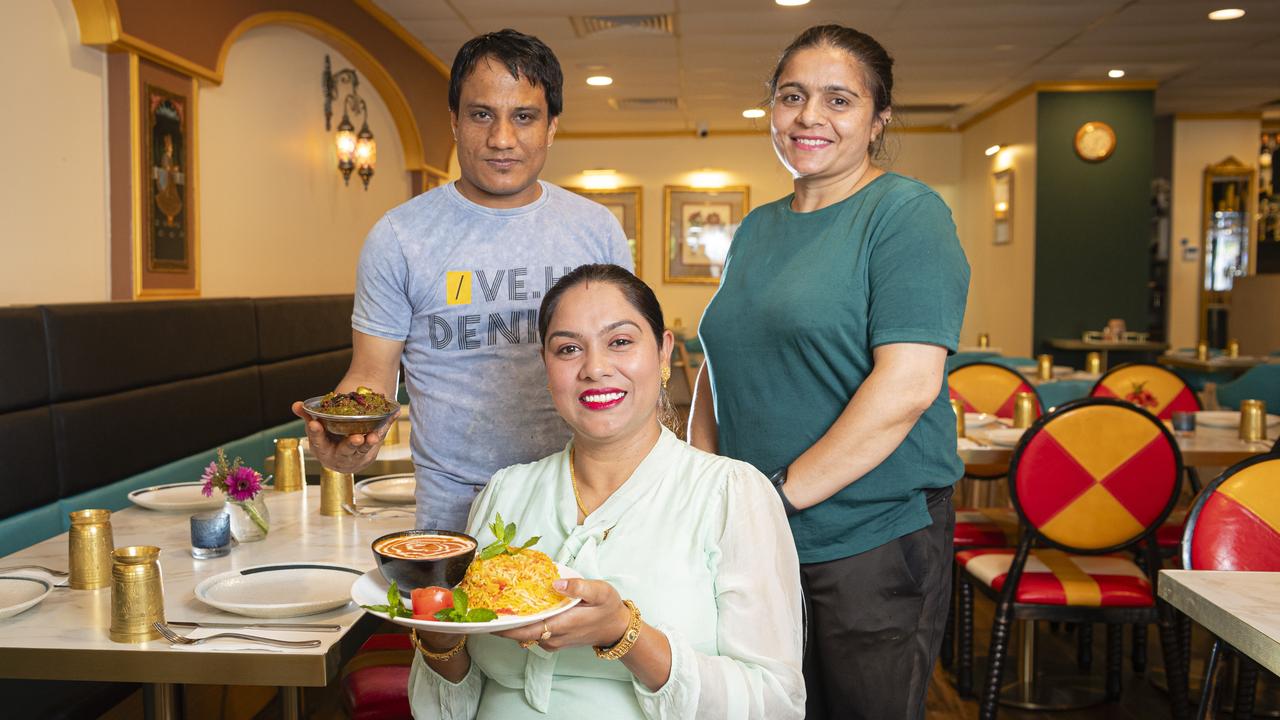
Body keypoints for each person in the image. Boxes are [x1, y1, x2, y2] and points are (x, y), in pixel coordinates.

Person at [689, 24, 970, 720]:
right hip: (758, 538)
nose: (809, 116)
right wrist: (698, 485)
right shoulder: (757, 227)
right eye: (793, 96)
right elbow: (717, 361)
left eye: (838, 100)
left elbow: (906, 388)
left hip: (871, 538)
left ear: (878, 121)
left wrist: (775, 497)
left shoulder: (906, 215)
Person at [407, 264, 804, 719]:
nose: (595, 368)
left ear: (662, 354)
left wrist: (625, 634)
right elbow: (448, 706)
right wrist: (439, 639)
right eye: (569, 349)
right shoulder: (506, 492)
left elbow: (776, 703)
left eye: (620, 342)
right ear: (547, 367)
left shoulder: (731, 494)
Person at [293, 30, 632, 530]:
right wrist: (348, 442)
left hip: (585, 500)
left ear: (551, 126)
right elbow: (372, 375)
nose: (502, 139)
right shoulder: (399, 237)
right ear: (454, 121)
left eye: (524, 116)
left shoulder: (595, 229)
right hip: (456, 514)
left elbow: (626, 365)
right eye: (481, 115)